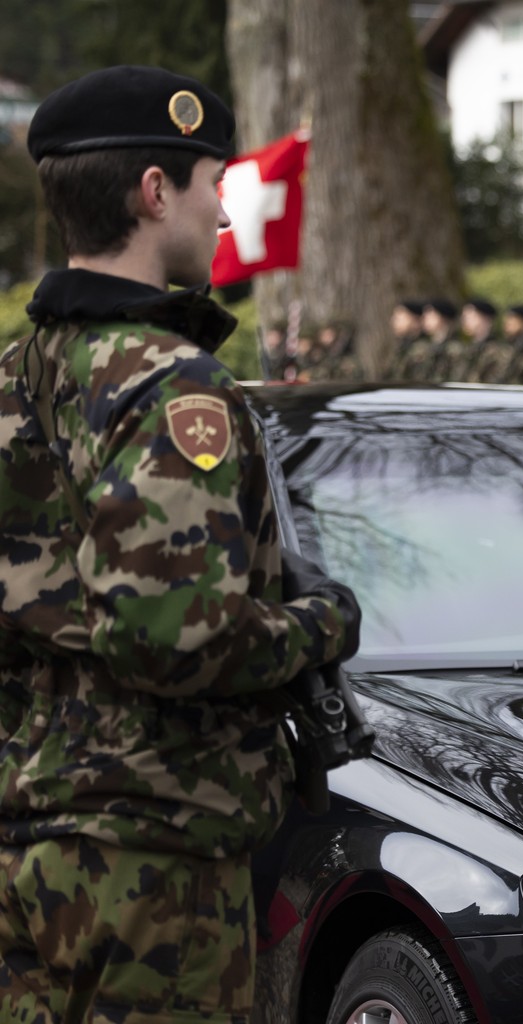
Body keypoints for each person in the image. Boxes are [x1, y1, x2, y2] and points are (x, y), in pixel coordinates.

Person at [0, 66, 360, 1023]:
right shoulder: (171, 389)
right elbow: (173, 635)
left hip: (28, 834)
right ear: (156, 195)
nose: (224, 209)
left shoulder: (18, 374)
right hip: (149, 862)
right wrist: (317, 626)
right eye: (214, 183)